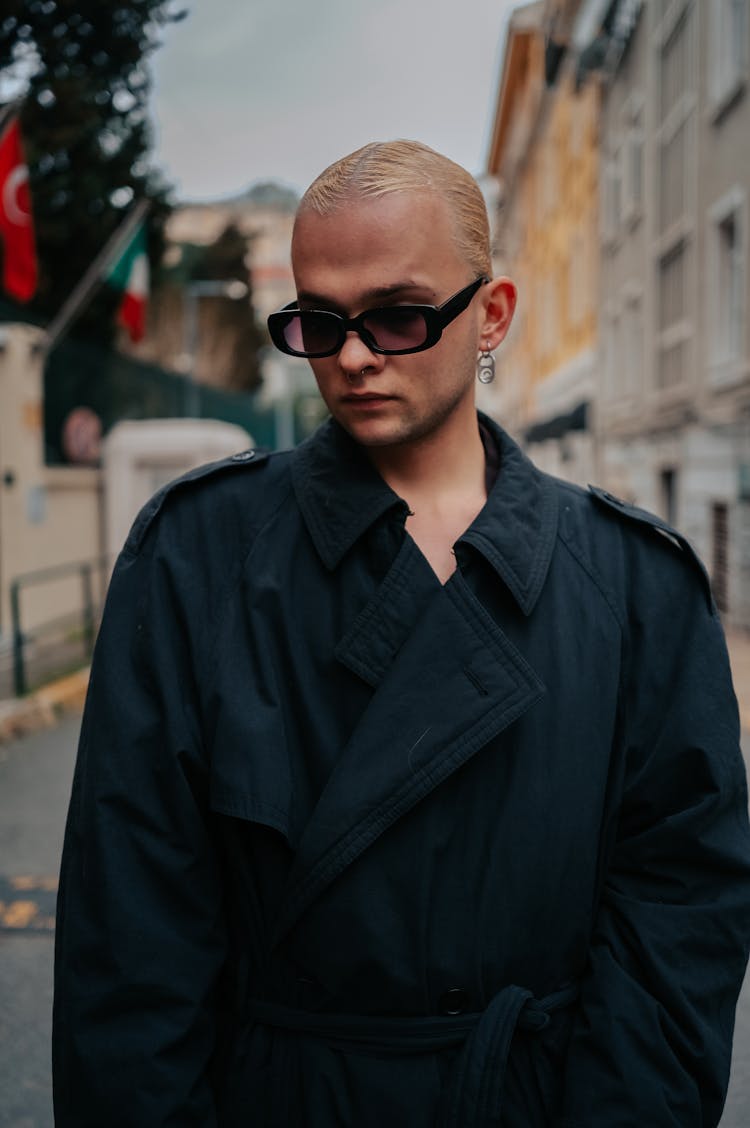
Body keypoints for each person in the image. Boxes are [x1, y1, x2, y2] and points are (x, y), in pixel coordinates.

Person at [53, 139, 750, 1127]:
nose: (350, 355)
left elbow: (679, 919)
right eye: (319, 321)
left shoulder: (637, 586)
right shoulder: (196, 555)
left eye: (396, 316)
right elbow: (131, 943)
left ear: (492, 315)